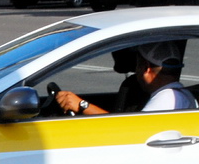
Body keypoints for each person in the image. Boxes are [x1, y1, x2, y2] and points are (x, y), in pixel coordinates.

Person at [55, 41, 197, 115]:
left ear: (145, 68)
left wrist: (82, 105)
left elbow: (131, 133)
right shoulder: (177, 95)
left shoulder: (167, 99)